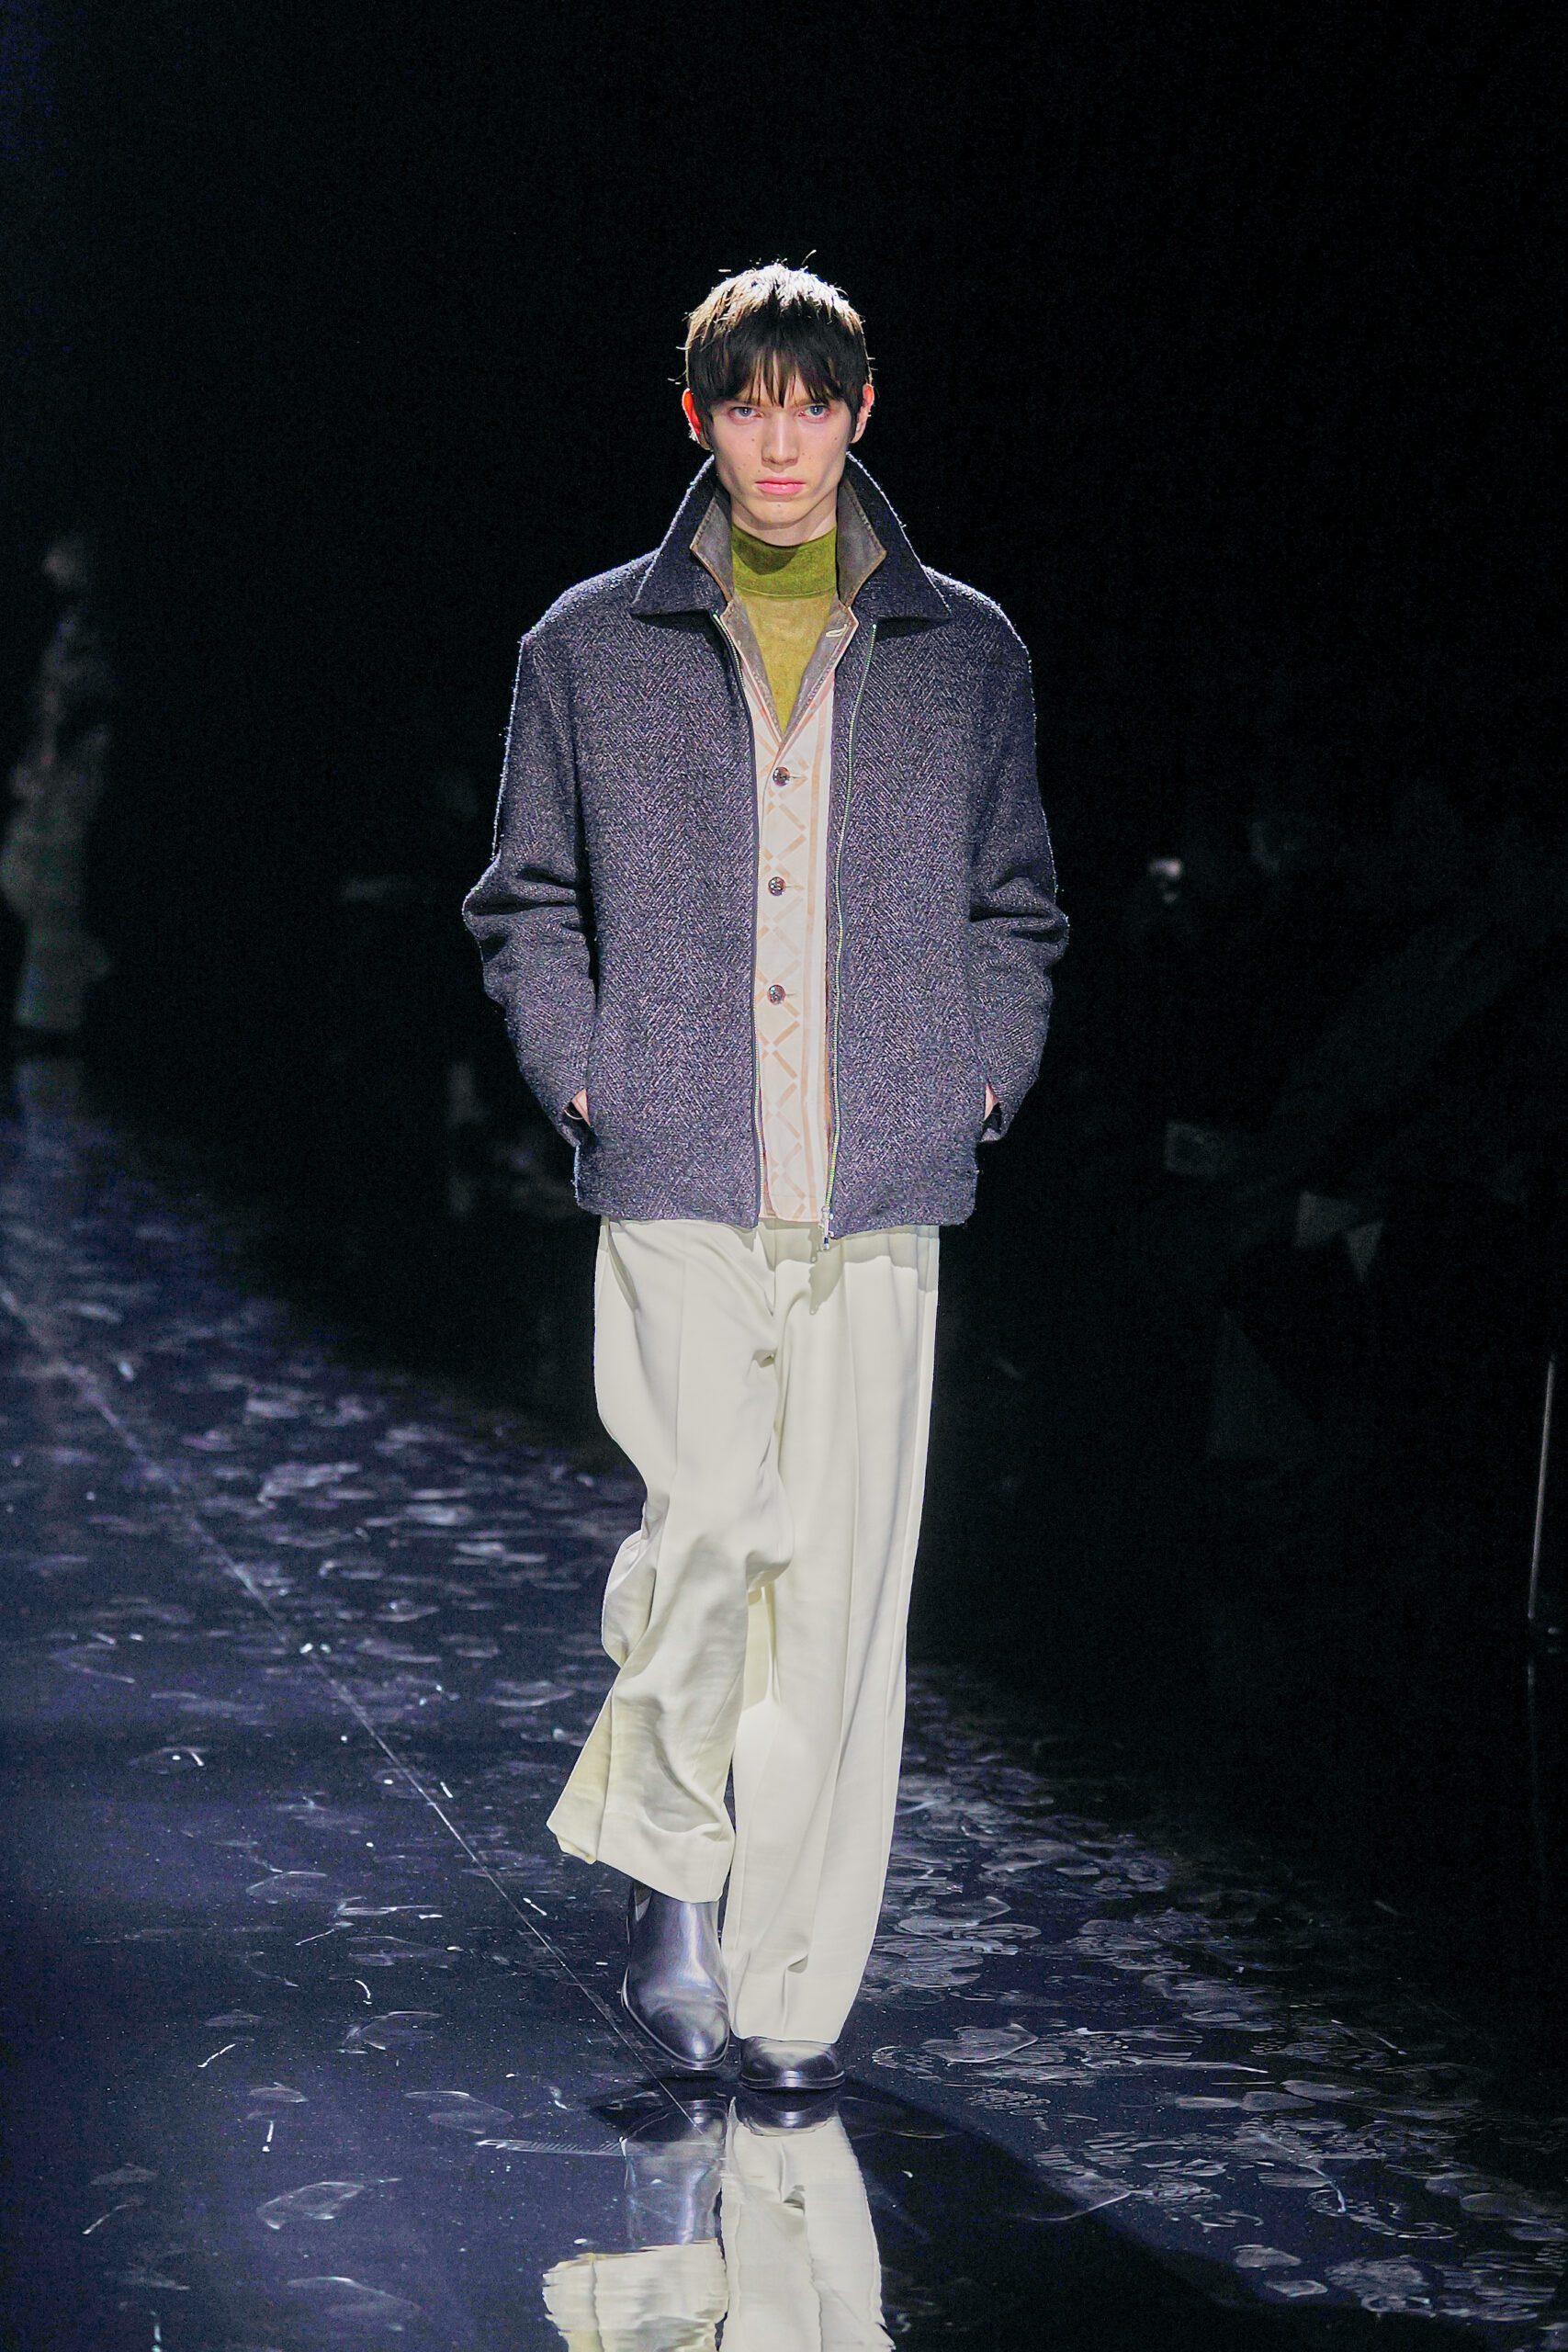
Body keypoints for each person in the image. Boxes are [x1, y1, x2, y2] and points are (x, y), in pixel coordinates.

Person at [463, 263, 1066, 2092]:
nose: (781, 440)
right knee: (711, 1529)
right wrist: (583, 1070)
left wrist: (978, 1073)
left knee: (843, 1597)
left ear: (862, 414)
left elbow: (1016, 901)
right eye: (747, 403)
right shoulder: (585, 647)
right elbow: (525, 893)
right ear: (698, 418)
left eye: (813, 403)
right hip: (675, 1157)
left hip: (881, 1166)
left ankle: (792, 1994)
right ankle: (674, 1880)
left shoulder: (967, 650)